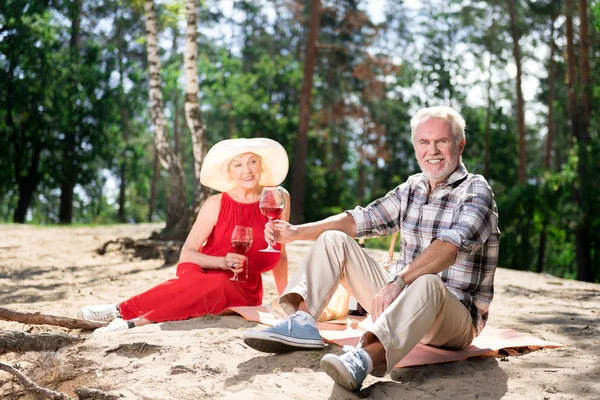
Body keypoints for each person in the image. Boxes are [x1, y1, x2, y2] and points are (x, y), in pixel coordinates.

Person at [243, 106, 500, 391]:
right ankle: (303, 320)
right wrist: (295, 233)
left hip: (455, 319)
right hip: (399, 297)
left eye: (441, 141)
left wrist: (400, 280)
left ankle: (363, 359)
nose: (433, 150)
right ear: (415, 148)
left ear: (459, 145)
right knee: (333, 239)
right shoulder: (413, 187)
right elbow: (359, 219)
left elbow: (451, 246)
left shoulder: (476, 190)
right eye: (424, 142)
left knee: (427, 282)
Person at [79, 138, 291, 334]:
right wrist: (222, 262)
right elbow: (187, 254)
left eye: (252, 161)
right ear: (230, 172)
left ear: (261, 165)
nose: (247, 170)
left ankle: (130, 319)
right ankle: (121, 312)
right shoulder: (215, 204)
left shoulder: (277, 199)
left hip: (243, 286)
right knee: (204, 284)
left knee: (218, 285)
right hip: (201, 269)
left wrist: (285, 301)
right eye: (238, 164)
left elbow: (280, 255)